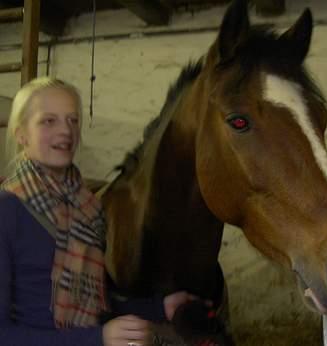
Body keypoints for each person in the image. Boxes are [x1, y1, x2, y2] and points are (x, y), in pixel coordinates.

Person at [0, 77, 204, 346]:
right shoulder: (7, 210)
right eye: (49, 121)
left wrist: (159, 308)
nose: (66, 131)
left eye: (72, 120)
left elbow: (97, 304)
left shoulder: (89, 209)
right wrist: (98, 338)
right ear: (21, 134)